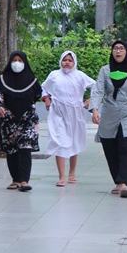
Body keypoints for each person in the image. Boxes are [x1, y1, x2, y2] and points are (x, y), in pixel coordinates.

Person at [89, 40, 127, 198]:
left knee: (125, 146)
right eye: (115, 49)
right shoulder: (105, 70)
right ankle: (118, 181)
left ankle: (124, 183)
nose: (118, 52)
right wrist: (95, 109)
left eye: (121, 49)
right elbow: (98, 91)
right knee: (110, 148)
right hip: (109, 113)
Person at [41, 51, 95, 187]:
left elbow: (96, 86)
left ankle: (72, 173)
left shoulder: (80, 76)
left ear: (74, 62)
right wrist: (47, 100)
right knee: (60, 141)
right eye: (64, 60)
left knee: (73, 141)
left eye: (70, 60)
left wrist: (91, 99)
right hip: (58, 112)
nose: (67, 62)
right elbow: (43, 88)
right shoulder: (54, 75)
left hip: (76, 113)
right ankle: (61, 176)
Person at [0, 51, 43, 192]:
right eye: (14, 60)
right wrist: (1, 106)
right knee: (11, 150)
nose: (17, 63)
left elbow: (37, 94)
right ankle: (15, 179)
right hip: (9, 120)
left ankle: (24, 180)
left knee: (25, 149)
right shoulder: (3, 79)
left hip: (28, 120)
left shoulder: (32, 80)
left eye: (20, 60)